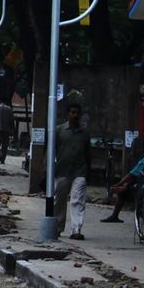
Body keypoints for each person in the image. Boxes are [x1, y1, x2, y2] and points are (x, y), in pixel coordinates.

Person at [101, 136, 144, 223]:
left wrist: (119, 183)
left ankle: (115, 215)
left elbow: (133, 174)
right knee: (131, 184)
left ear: (143, 146)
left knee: (123, 192)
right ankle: (126, 189)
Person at [54, 102, 92, 241]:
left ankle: (76, 229)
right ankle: (57, 226)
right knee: (59, 200)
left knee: (77, 200)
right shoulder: (59, 131)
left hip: (79, 171)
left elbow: (88, 154)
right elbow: (51, 150)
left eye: (77, 113)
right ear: (68, 114)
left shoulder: (84, 133)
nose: (75, 115)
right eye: (72, 112)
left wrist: (89, 171)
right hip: (62, 170)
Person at [0, 99, 15, 164]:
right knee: (5, 145)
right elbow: (11, 120)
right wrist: (12, 130)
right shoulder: (9, 109)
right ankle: (2, 160)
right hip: (7, 130)